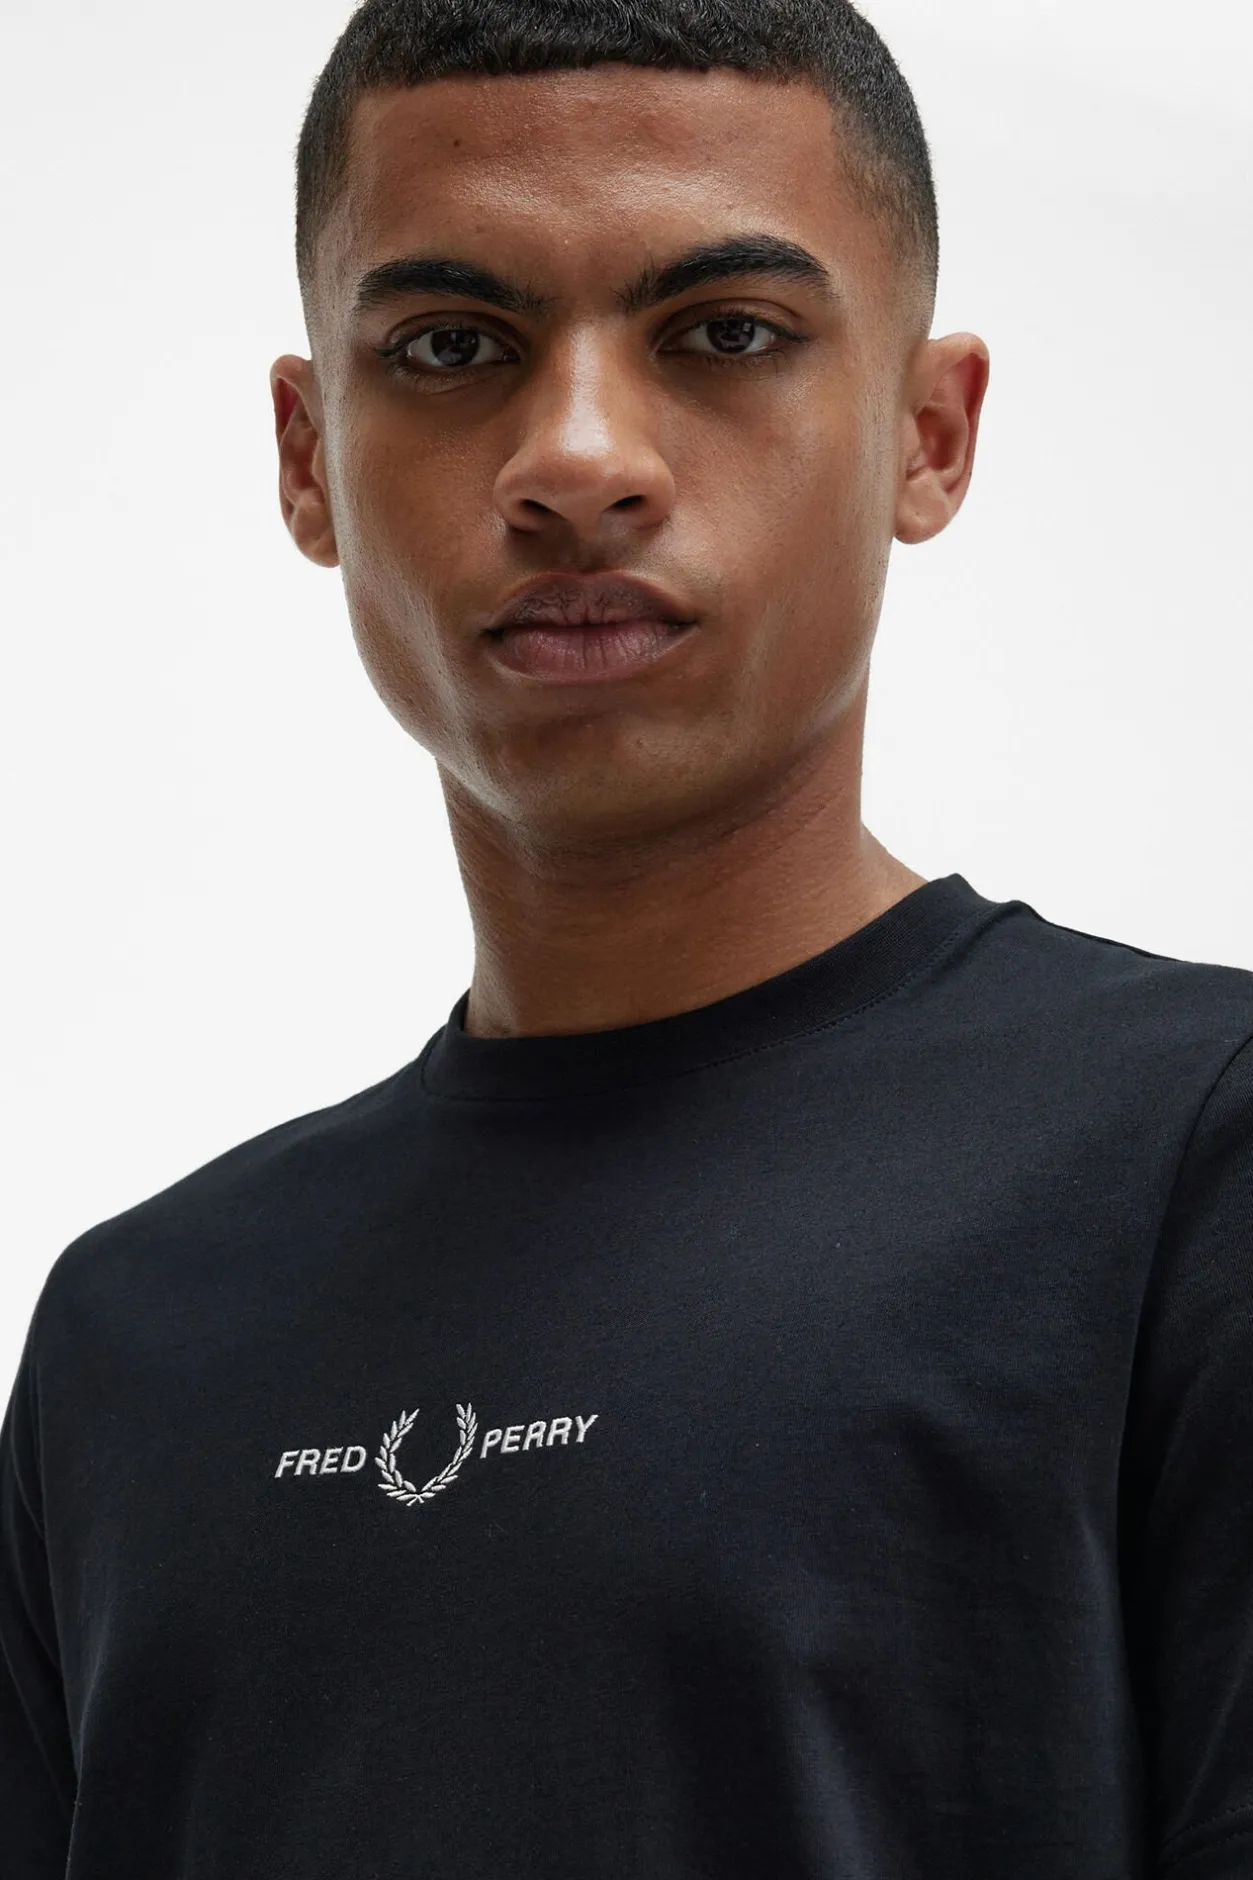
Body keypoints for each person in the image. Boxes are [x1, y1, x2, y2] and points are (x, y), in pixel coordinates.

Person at [2, 0, 1250, 1873]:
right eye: (451, 345)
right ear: (308, 458)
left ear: (929, 434)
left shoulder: (1192, 1170)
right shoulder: (129, 1340)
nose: (578, 460)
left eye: (724, 333)